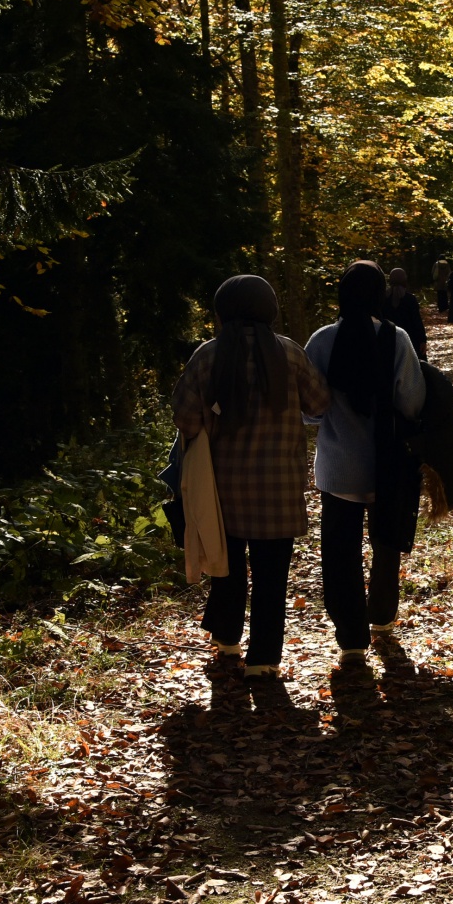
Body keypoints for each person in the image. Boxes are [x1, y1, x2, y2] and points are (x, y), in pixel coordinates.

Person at [172, 275, 331, 678]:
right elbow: (319, 403)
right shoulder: (290, 354)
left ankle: (227, 641)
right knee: (272, 576)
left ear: (221, 309)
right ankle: (264, 659)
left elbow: (186, 420)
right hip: (278, 486)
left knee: (226, 566)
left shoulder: (206, 356)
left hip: (222, 489)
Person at [305, 262, 426, 673]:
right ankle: (382, 616)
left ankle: (351, 641)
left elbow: (308, 412)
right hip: (386, 463)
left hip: (338, 468)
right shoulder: (397, 338)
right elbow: (412, 402)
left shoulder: (322, 340)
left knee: (340, 553)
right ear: (379, 295)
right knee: (386, 542)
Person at [383, 266, 428, 362]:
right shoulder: (410, 299)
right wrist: (422, 340)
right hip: (410, 339)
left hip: (389, 340)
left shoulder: (384, 298)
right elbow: (416, 320)